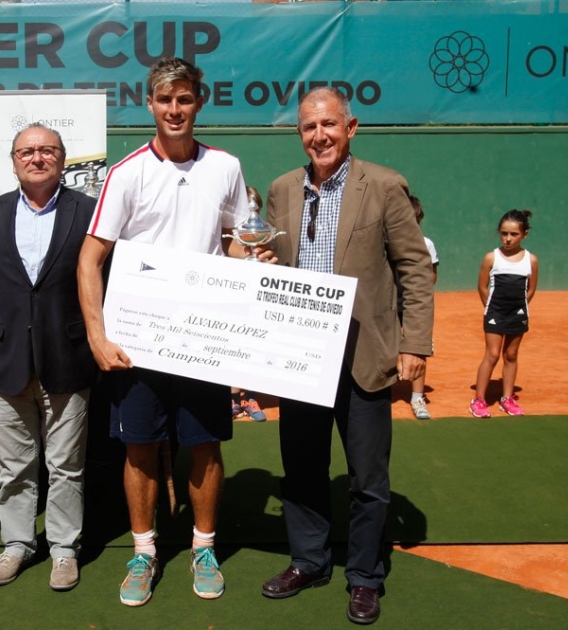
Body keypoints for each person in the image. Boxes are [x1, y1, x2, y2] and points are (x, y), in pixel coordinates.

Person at [77, 57, 253, 607]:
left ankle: (203, 547)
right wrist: (97, 336)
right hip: (139, 342)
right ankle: (145, 550)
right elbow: (90, 259)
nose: (174, 109)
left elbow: (237, 240)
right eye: (164, 100)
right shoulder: (126, 172)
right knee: (140, 449)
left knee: (203, 446)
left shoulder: (226, 167)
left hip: (201, 340)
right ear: (149, 105)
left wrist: (247, 257)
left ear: (198, 103)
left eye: (184, 99)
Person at [260, 87, 434, 625]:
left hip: (365, 355)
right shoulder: (282, 189)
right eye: (310, 127)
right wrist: (262, 259)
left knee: (367, 478)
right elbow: (273, 266)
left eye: (329, 125)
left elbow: (415, 269)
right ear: (300, 134)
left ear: (351, 127)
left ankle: (363, 576)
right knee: (304, 469)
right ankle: (310, 560)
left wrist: (413, 344)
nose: (320, 136)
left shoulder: (383, 185)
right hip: (301, 357)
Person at [0, 123, 98, 592]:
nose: (37, 157)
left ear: (62, 159)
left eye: (47, 150)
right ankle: (17, 545)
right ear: (14, 160)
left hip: (68, 356)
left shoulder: (88, 211)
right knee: (15, 465)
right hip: (4, 361)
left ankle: (64, 549)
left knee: (66, 465)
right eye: (27, 151)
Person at [469, 209, 538, 418]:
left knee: (511, 355)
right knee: (492, 354)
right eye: (504, 233)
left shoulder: (531, 260)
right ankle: (479, 399)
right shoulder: (492, 257)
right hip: (494, 311)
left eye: (514, 234)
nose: (508, 239)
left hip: (517, 312)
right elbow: (482, 287)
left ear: (525, 234)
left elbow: (531, 288)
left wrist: (520, 307)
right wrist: (490, 308)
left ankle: (507, 399)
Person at [231, 185, 270, 423]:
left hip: (256, 302)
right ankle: (232, 399)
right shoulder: (228, 236)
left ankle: (250, 397)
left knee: (254, 347)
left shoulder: (262, 234)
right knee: (232, 346)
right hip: (231, 298)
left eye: (253, 207)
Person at [400, 194, 439, 420]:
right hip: (388, 303)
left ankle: (417, 396)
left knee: (418, 348)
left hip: (414, 306)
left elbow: (431, 276)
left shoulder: (427, 245)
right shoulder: (384, 243)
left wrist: (415, 291)